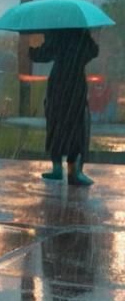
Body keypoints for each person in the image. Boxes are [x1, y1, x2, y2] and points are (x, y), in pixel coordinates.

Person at [29, 28, 100, 186]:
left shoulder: (56, 32)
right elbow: (93, 52)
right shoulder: (81, 34)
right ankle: (73, 170)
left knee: (55, 122)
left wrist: (30, 47)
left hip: (59, 84)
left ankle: (57, 168)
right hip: (75, 83)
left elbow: (41, 55)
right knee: (75, 126)